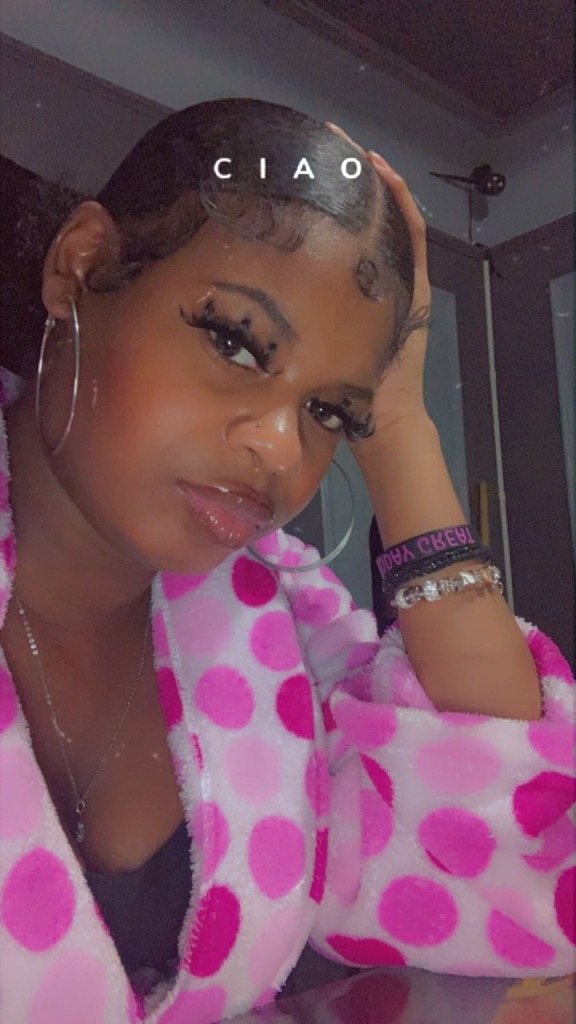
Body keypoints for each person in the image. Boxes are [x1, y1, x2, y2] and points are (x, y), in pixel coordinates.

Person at [0, 98, 573, 1024]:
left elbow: (505, 859)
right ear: (84, 265)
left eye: (330, 412)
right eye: (235, 341)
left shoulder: (281, 624)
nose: (279, 447)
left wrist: (399, 429)